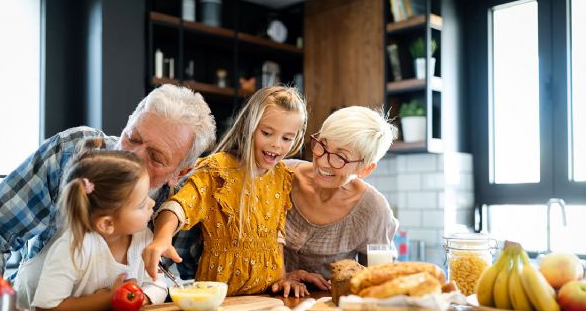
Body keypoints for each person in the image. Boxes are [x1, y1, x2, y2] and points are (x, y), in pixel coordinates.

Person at [0, 84, 216, 280]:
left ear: (180, 172)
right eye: (133, 137)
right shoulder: (70, 151)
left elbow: (194, 278)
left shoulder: (182, 202)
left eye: (156, 158)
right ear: (129, 121)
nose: (132, 156)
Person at [143, 86, 309, 297]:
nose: (277, 145)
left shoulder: (282, 177)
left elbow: (276, 237)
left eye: (287, 138)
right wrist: (161, 239)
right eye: (267, 133)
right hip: (219, 299)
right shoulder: (217, 170)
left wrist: (283, 279)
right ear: (248, 126)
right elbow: (177, 207)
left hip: (268, 295)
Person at [14, 145, 167, 311]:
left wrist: (142, 298)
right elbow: (46, 308)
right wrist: (109, 299)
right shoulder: (74, 247)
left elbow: (158, 285)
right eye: (141, 204)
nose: (152, 203)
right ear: (107, 223)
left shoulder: (144, 237)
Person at [283, 106, 399, 289]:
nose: (322, 161)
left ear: (365, 169)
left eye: (340, 157)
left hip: (330, 309)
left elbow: (379, 281)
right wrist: (283, 276)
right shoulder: (281, 176)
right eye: (322, 144)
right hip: (263, 305)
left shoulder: (372, 209)